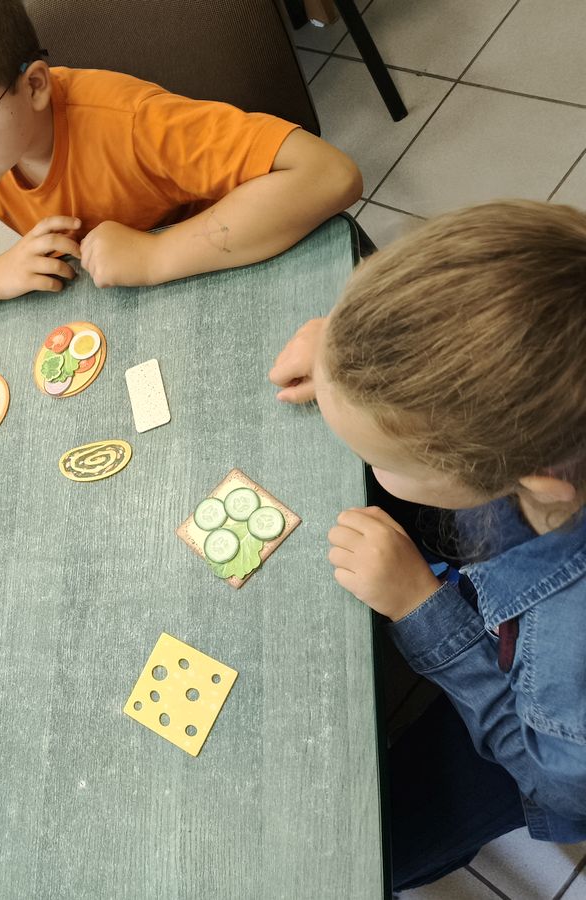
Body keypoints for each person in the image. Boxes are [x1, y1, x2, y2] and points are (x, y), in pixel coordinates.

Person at [268, 200, 586, 890]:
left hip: (541, 747)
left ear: (530, 480)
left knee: (378, 843)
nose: (373, 467)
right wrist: (344, 361)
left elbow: (556, 782)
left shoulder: (569, 660)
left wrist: (422, 608)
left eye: (381, 459)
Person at [0, 0, 362, 314]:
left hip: (225, 267)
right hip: (126, 301)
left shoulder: (130, 122)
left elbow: (330, 174)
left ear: (35, 85)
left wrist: (155, 256)